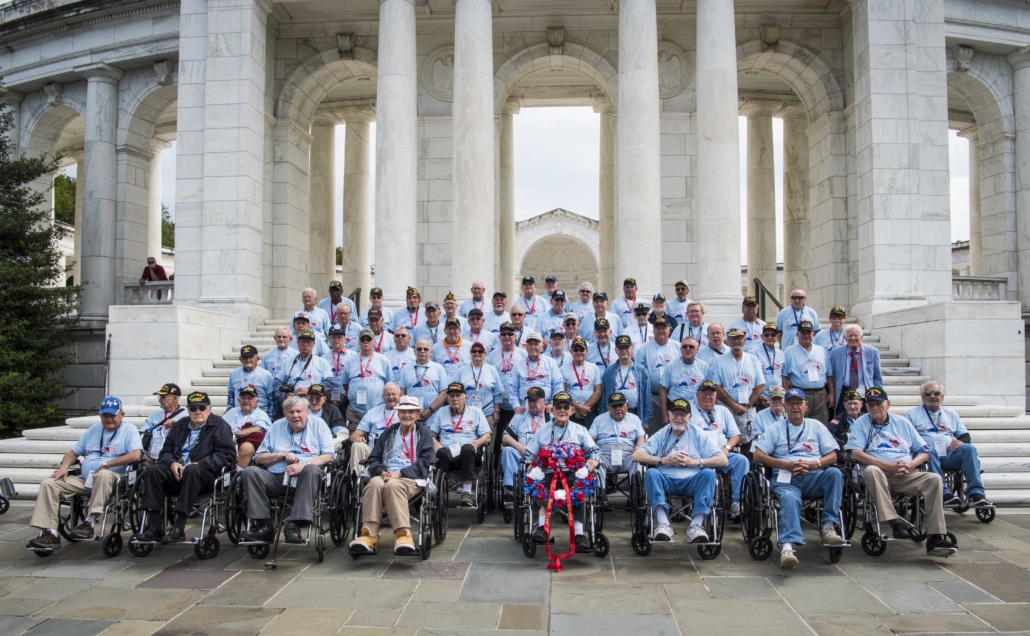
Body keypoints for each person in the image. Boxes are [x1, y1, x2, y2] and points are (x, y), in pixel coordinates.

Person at [846, 388, 957, 555]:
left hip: (906, 474)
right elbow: (855, 453)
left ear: (888, 404)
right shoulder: (862, 423)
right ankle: (895, 521)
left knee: (934, 479)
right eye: (871, 405)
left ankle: (936, 535)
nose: (875, 408)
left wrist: (910, 465)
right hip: (879, 474)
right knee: (871, 471)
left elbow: (924, 451)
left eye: (879, 404)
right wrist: (886, 465)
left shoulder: (902, 423)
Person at [27, 397, 143, 549]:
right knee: (49, 484)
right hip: (85, 479)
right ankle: (50, 533)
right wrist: (64, 467)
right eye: (105, 416)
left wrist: (107, 464)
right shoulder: (94, 430)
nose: (109, 419)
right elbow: (73, 453)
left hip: (113, 479)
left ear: (122, 414)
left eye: (112, 415)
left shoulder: (129, 430)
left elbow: (136, 455)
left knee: (103, 474)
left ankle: (90, 521)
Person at [752, 388, 846, 569]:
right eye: (791, 403)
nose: (795, 407)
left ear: (806, 405)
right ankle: (787, 547)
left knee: (835, 473)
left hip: (814, 476)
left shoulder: (816, 426)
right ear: (785, 406)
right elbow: (758, 456)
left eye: (798, 403)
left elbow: (833, 456)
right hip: (787, 477)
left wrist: (814, 464)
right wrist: (784, 464)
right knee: (789, 497)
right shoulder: (775, 429)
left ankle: (828, 527)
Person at [136, 392, 236, 544]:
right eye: (193, 408)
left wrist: (201, 463)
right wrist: (172, 462)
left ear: (209, 408)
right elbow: (165, 452)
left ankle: (179, 525)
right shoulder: (181, 425)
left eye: (201, 408)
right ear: (188, 410)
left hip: (205, 475)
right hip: (177, 472)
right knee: (152, 470)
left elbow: (227, 455)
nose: (197, 412)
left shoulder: (220, 425)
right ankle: (155, 525)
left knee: (191, 470)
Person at [240, 395, 335, 544]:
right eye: (291, 412)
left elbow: (329, 456)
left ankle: (294, 526)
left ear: (307, 411)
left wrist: (303, 465)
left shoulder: (319, 424)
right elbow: (259, 458)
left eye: (299, 411)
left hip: (306, 477)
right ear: (285, 414)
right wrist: (280, 455)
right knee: (250, 472)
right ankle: (264, 526)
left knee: (310, 470)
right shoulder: (276, 426)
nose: (295, 415)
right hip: (277, 476)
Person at [349, 396, 436, 555]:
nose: (407, 415)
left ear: (417, 415)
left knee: (393, 485)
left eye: (411, 412)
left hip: (411, 477)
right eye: (403, 411)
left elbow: (426, 462)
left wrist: (400, 474)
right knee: (374, 483)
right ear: (398, 413)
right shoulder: (390, 431)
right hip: (386, 474)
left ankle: (404, 536)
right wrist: (382, 471)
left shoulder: (423, 433)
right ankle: (369, 535)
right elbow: (373, 458)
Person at [632, 398, 726, 543]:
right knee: (651, 473)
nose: (679, 418)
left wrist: (694, 462)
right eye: (675, 414)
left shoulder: (698, 434)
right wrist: (663, 460)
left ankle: (696, 526)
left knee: (708, 474)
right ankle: (663, 524)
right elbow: (637, 455)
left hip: (692, 481)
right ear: (669, 415)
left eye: (683, 415)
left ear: (690, 417)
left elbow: (723, 460)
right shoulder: (662, 433)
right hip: (666, 480)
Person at [525, 391, 599, 550]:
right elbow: (530, 453)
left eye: (566, 407)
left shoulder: (580, 430)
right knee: (541, 484)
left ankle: (579, 535)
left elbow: (594, 450)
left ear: (572, 411)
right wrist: (531, 463)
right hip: (548, 472)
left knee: (579, 485)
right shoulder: (543, 430)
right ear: (552, 410)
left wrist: (593, 460)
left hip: (572, 472)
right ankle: (542, 530)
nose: (562, 411)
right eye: (558, 407)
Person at [906, 381, 993, 508]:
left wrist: (960, 441)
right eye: (928, 393)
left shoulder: (951, 414)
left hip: (949, 455)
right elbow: (907, 437)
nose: (932, 396)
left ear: (942, 397)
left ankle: (976, 494)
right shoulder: (912, 414)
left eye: (936, 393)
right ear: (922, 397)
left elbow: (965, 435)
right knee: (929, 450)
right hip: (927, 457)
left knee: (968, 448)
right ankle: (944, 493)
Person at [429, 383, 493, 507]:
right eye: (452, 396)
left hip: (469, 453)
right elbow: (432, 434)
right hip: (447, 453)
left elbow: (487, 436)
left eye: (458, 395)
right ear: (447, 399)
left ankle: (467, 493)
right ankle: (441, 491)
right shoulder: (442, 412)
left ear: (465, 398)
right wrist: (436, 443)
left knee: (467, 449)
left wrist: (475, 443)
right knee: (440, 452)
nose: (455, 399)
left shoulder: (476, 412)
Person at [692, 381, 749, 518]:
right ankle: (703, 507)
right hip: (699, 457)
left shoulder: (723, 411)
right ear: (697, 395)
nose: (707, 397)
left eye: (711, 394)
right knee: (705, 472)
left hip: (722, 454)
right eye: (704, 394)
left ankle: (738, 502)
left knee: (742, 460)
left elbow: (735, 436)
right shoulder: (690, 411)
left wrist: (727, 448)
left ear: (716, 396)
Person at [709, 328, 765, 445]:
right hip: (727, 409)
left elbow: (760, 386)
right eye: (732, 339)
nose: (736, 341)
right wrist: (734, 405)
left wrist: (747, 405)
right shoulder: (719, 361)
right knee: (726, 441)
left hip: (748, 410)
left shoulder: (753, 359)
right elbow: (716, 386)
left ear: (744, 340)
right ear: (727, 341)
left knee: (749, 442)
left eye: (739, 338)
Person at [589, 392, 645, 509]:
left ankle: (634, 497)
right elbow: (590, 438)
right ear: (608, 408)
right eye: (614, 406)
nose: (618, 409)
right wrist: (595, 450)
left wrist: (638, 447)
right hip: (604, 453)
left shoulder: (634, 419)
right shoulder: (599, 419)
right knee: (596, 460)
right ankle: (602, 496)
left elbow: (641, 437)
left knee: (638, 459)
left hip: (628, 454)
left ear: (627, 406)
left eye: (621, 405)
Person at [340, 328, 394, 431]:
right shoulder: (351, 361)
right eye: (363, 339)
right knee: (355, 440)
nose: (365, 342)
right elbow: (345, 384)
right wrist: (352, 395)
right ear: (359, 342)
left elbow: (389, 384)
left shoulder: (383, 360)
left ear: (374, 342)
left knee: (376, 439)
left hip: (378, 409)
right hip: (355, 411)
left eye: (368, 339)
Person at [827, 324, 882, 421]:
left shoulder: (872, 352)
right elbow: (832, 376)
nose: (853, 338)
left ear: (861, 337)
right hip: (843, 392)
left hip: (865, 392)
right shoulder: (835, 353)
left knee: (866, 420)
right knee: (842, 421)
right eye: (850, 335)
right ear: (845, 338)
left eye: (856, 335)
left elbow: (877, 377)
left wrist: (879, 396)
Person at [500, 387, 549, 495]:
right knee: (507, 450)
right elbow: (505, 437)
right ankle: (512, 488)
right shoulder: (520, 414)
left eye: (535, 401)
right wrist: (520, 448)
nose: (532, 404)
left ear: (544, 401)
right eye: (530, 401)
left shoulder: (550, 415)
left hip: (544, 456)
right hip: (523, 454)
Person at [487, 322, 528, 448]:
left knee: (514, 437)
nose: (507, 336)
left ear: (515, 336)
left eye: (510, 334)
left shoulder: (523, 354)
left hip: (517, 405)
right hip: (500, 403)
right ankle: (495, 465)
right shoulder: (492, 355)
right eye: (503, 334)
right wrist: (496, 409)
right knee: (497, 437)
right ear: (499, 337)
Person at [782, 321, 831, 424]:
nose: (806, 335)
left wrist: (832, 393)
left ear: (813, 334)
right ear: (797, 334)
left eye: (808, 332)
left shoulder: (822, 351)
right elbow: (784, 375)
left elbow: (829, 375)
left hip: (821, 394)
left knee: (821, 424)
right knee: (798, 423)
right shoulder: (789, 352)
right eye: (803, 332)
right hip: (800, 393)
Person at [349, 383, 402, 473]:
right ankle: (358, 480)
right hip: (373, 452)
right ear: (382, 396)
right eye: (387, 394)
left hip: (395, 453)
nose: (391, 397)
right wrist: (358, 438)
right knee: (357, 445)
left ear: (399, 395)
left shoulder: (405, 413)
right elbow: (355, 434)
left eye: (394, 394)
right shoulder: (372, 412)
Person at [600, 334, 652, 424]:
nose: (624, 351)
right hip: (614, 414)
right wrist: (603, 417)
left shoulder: (641, 370)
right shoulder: (609, 371)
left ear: (631, 348)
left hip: (635, 412)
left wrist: (646, 421)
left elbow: (647, 397)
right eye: (620, 348)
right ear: (616, 350)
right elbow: (604, 396)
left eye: (626, 348)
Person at [639, 317, 679, 431]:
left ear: (669, 330)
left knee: (675, 428)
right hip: (653, 396)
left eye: (664, 328)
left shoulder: (677, 346)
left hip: (674, 396)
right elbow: (640, 373)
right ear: (653, 330)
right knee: (655, 429)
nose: (661, 330)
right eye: (658, 328)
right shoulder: (644, 348)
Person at [221, 386, 272, 467]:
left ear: (257, 401)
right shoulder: (232, 411)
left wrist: (241, 434)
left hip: (244, 443)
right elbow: (220, 425)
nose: (246, 401)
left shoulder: (261, 414)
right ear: (238, 400)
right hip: (227, 442)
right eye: (243, 398)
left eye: (249, 398)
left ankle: (236, 474)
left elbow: (260, 428)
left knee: (247, 447)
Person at [510, 331, 565, 408]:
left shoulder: (550, 362)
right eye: (530, 344)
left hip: (546, 407)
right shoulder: (518, 364)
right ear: (525, 346)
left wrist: (553, 403)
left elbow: (558, 385)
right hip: (524, 407)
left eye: (536, 344)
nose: (533, 347)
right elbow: (512, 388)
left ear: (542, 347)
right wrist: (516, 406)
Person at [659, 337, 709, 420]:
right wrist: (664, 415)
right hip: (676, 408)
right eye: (685, 347)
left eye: (691, 347)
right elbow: (663, 390)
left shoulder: (704, 366)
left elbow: (710, 391)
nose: (688, 349)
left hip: (698, 409)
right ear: (680, 349)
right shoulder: (670, 366)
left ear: (697, 350)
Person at [400, 338, 450, 420]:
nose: (422, 351)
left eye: (425, 349)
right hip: (411, 417)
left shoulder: (438, 368)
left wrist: (430, 410)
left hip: (433, 417)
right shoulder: (406, 369)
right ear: (414, 352)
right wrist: (410, 410)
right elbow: (401, 392)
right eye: (419, 349)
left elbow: (444, 392)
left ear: (431, 352)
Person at [458, 341, 503, 427]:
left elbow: (497, 393)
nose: (477, 353)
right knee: (469, 440)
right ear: (470, 353)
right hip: (467, 414)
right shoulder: (462, 370)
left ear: (485, 353)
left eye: (480, 351)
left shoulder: (492, 370)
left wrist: (497, 411)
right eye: (474, 351)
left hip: (487, 413)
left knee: (488, 439)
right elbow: (456, 392)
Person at [140, 384, 188, 464]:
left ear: (175, 398)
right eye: (159, 397)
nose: (160, 400)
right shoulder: (154, 415)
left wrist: (175, 425)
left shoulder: (186, 415)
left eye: (163, 397)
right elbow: (142, 432)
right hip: (151, 456)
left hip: (172, 457)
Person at [276, 330, 332, 397]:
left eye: (308, 342)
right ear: (298, 343)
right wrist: (285, 395)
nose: (305, 344)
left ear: (313, 344)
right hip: (292, 401)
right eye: (303, 341)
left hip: (313, 400)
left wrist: (310, 390)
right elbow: (277, 382)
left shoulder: (322, 362)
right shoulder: (288, 362)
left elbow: (330, 383)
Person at [563, 337, 602, 427]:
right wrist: (578, 407)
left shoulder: (594, 368)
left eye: (581, 349)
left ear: (586, 351)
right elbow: (563, 393)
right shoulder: (563, 369)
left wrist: (584, 408)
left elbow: (598, 391)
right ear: (571, 351)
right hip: (571, 411)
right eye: (575, 350)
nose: (578, 352)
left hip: (589, 412)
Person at [226, 344, 276, 414]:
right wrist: (229, 410)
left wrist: (270, 417)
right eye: (245, 357)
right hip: (238, 413)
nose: (248, 360)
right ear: (240, 359)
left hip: (260, 413)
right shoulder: (234, 374)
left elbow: (271, 399)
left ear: (257, 358)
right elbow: (231, 395)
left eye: (251, 357)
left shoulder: (266, 375)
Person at [322, 324, 355, 405]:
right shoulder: (323, 358)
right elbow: (322, 380)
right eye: (333, 337)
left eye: (339, 337)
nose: (336, 340)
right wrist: (329, 398)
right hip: (329, 396)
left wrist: (346, 394)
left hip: (348, 395)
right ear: (329, 339)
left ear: (344, 339)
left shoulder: (353, 355)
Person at [432, 317, 472, 381]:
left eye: (455, 328)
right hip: (443, 386)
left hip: (463, 383)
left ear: (459, 330)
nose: (452, 331)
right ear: (445, 331)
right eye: (450, 328)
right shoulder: (435, 347)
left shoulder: (469, 346)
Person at [756, 323, 785, 409]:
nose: (770, 337)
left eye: (773, 335)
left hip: (778, 397)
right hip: (762, 398)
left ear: (778, 336)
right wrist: (757, 397)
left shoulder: (781, 353)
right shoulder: (754, 353)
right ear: (762, 336)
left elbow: (783, 375)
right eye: (767, 334)